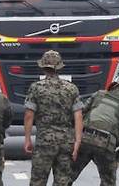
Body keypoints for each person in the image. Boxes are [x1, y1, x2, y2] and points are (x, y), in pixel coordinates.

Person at [24, 50, 83, 186]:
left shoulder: (36, 88)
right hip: (66, 142)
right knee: (62, 181)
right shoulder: (71, 88)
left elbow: (29, 115)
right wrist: (77, 142)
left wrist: (27, 139)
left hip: (44, 141)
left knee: (38, 180)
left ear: (43, 67)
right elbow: (78, 115)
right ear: (60, 68)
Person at [71, 80, 119, 185]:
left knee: (67, 176)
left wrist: (74, 139)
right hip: (106, 145)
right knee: (108, 182)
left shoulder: (98, 94)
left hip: (85, 139)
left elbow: (80, 114)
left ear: (112, 88)